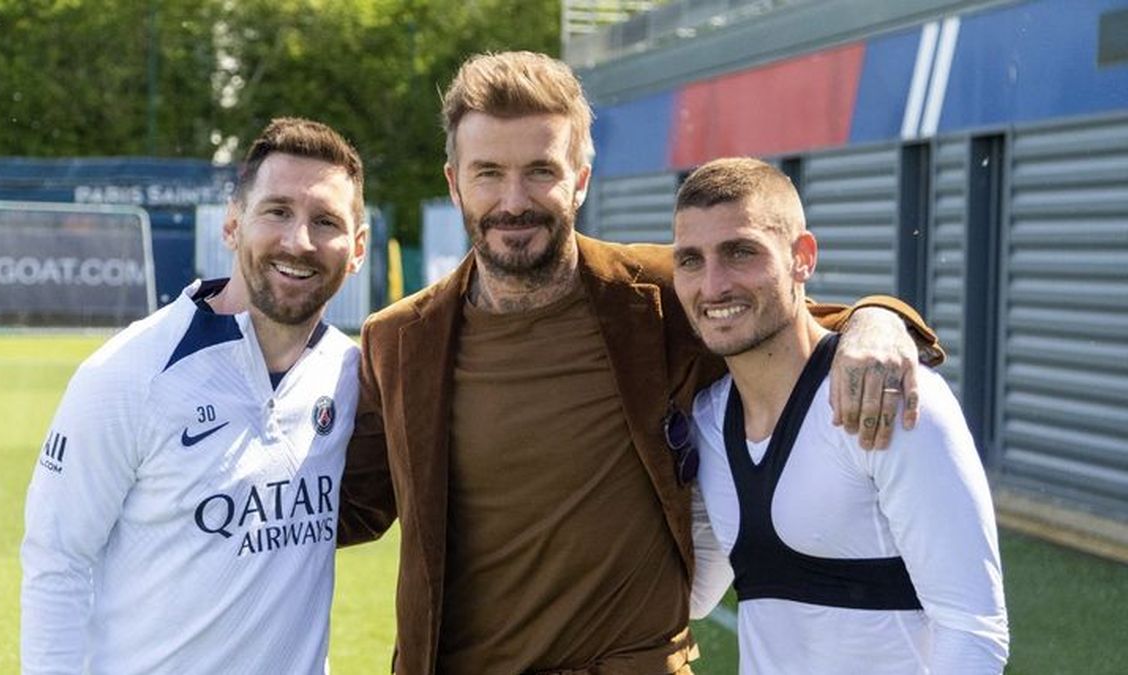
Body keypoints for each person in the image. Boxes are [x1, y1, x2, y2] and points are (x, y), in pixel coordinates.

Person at [337, 51, 942, 674]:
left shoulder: (656, 297)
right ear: (453, 181)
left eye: (540, 170)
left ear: (580, 179)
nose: (513, 201)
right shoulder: (399, 341)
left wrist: (879, 318)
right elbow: (341, 507)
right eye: (488, 172)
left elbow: (793, 319)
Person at [20, 117, 369, 674]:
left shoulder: (352, 374)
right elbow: (57, 561)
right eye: (276, 211)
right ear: (233, 225)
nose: (298, 241)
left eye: (324, 221)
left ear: (356, 248)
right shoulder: (127, 375)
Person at [675, 157, 1009, 672]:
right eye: (691, 260)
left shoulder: (890, 397)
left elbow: (974, 630)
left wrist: (879, 317)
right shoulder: (708, 423)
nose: (714, 285)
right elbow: (694, 596)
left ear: (802, 257)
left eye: (741, 252)